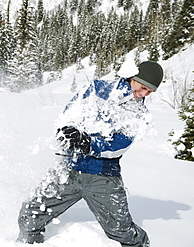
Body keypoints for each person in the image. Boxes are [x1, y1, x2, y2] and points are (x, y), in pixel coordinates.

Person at [17, 61, 164, 246]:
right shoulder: (97, 88)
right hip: (69, 168)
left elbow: (120, 145)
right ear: (132, 78)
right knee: (31, 212)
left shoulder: (139, 114)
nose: (143, 94)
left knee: (121, 231)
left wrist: (89, 143)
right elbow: (71, 112)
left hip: (103, 177)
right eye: (143, 87)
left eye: (149, 92)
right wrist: (67, 131)